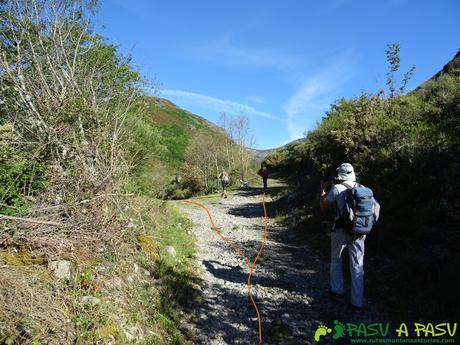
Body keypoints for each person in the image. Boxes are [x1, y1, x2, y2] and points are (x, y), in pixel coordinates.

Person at [319, 163, 377, 312]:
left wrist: (323, 190)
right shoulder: (364, 188)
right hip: (360, 231)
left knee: (336, 259)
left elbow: (323, 207)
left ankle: (337, 292)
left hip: (340, 230)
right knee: (358, 265)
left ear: (340, 175)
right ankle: (357, 302)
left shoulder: (337, 188)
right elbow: (376, 208)